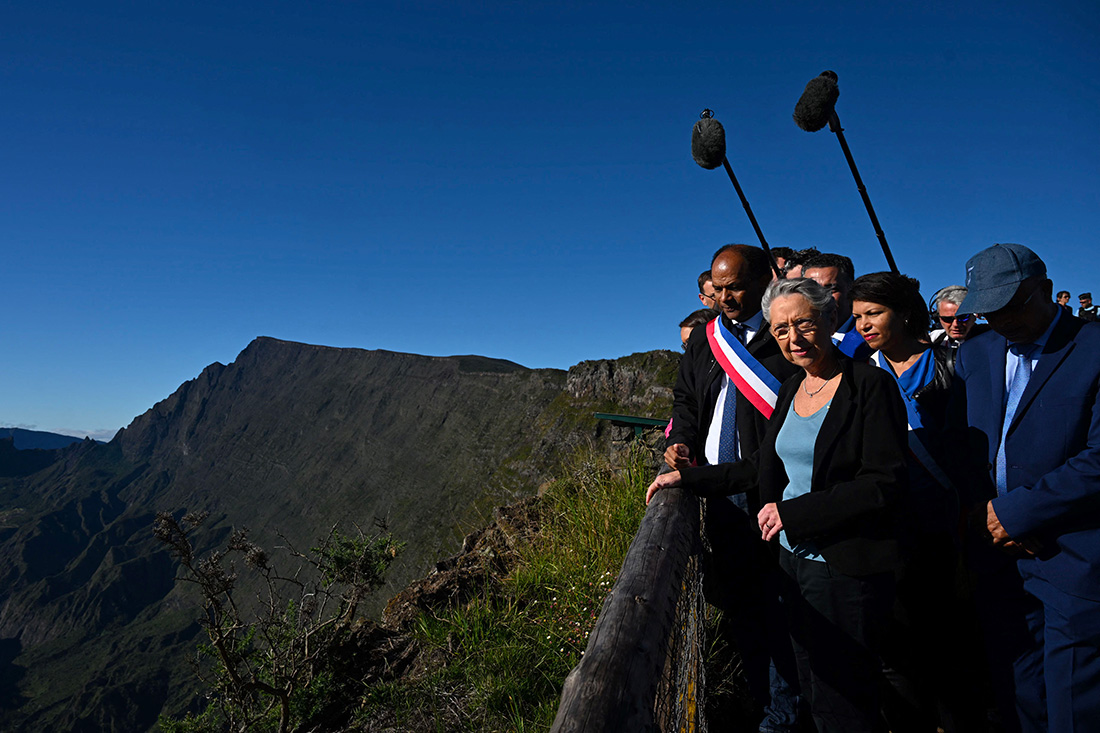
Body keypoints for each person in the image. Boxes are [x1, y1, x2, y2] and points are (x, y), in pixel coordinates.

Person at [650, 277, 909, 733]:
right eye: (782, 329)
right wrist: (687, 478)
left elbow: (883, 484)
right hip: (791, 563)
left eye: (804, 324)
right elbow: (757, 467)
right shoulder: (793, 390)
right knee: (812, 683)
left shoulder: (870, 387)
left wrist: (793, 514)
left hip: (844, 568)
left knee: (845, 698)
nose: (794, 339)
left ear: (831, 318)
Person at [950, 243, 1100, 732]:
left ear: (1047, 291)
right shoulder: (977, 351)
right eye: (987, 309)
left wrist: (1015, 515)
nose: (1001, 319)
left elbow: (1097, 460)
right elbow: (968, 448)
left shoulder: (1094, 349)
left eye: (1012, 304)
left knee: (1073, 704)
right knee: (1018, 696)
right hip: (998, 557)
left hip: (1072, 556)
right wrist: (986, 515)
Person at [665, 244, 801, 732]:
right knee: (741, 606)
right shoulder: (706, 340)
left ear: (766, 280)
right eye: (717, 289)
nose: (725, 298)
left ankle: (784, 716)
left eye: (735, 287)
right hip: (717, 495)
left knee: (780, 606)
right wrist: (681, 441)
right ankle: (762, 699)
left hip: (772, 494)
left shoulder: (787, 339)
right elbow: (686, 399)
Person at [849, 272, 983, 732]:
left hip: (946, 524)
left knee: (950, 642)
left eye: (874, 313)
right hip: (888, 526)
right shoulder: (860, 373)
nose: (864, 325)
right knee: (897, 648)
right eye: (858, 317)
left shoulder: (952, 365)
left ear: (904, 312)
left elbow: (971, 447)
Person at [803, 252, 871, 360]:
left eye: (831, 290)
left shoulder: (871, 340)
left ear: (850, 289)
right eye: (812, 290)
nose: (821, 298)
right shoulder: (797, 341)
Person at [928, 285, 987, 359]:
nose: (955, 324)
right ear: (938, 318)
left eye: (963, 317)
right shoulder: (933, 338)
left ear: (975, 315)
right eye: (947, 319)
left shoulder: (992, 338)